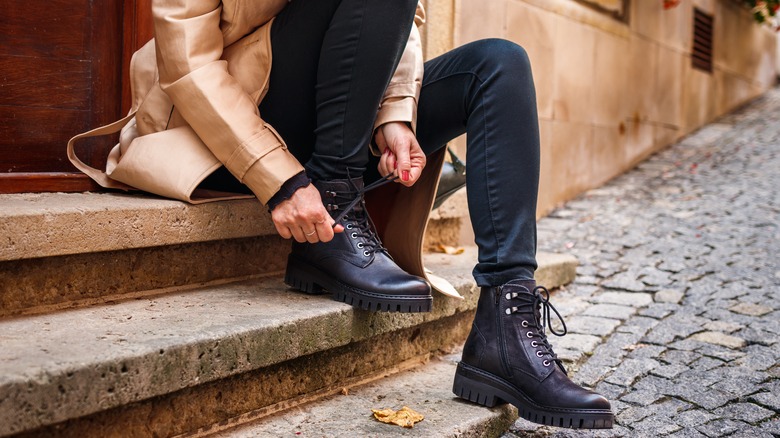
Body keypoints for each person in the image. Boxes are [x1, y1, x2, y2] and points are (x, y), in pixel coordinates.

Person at [68, 0, 613, 429]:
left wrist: (393, 117)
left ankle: (506, 325)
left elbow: (398, 24)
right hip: (225, 125)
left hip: (338, 113)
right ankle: (333, 204)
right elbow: (187, 64)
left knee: (498, 64)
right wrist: (280, 178)